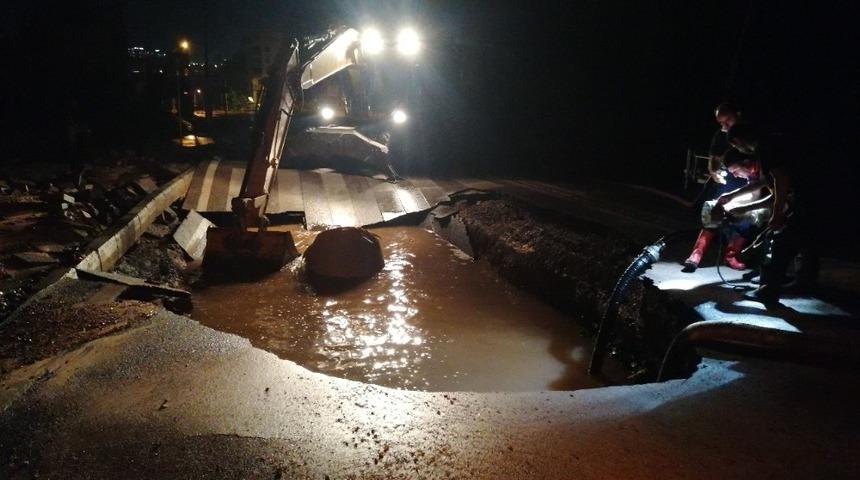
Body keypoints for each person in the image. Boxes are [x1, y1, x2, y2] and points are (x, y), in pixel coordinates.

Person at [713, 123, 818, 304]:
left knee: (781, 241)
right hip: (810, 192)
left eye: (736, 147)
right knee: (805, 240)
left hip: (804, 196)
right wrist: (733, 196)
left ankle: (768, 291)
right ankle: (803, 282)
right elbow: (767, 182)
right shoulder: (770, 143)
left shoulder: (765, 147)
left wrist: (777, 213)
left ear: (738, 141)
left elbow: (780, 180)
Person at [682, 103, 751, 272]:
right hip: (726, 183)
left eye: (727, 121)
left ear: (738, 114)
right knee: (713, 216)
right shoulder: (720, 136)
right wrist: (715, 173)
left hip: (748, 183)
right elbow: (713, 159)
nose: (724, 126)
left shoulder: (751, 134)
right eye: (721, 123)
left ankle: (731, 256)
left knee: (745, 222)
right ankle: (696, 255)